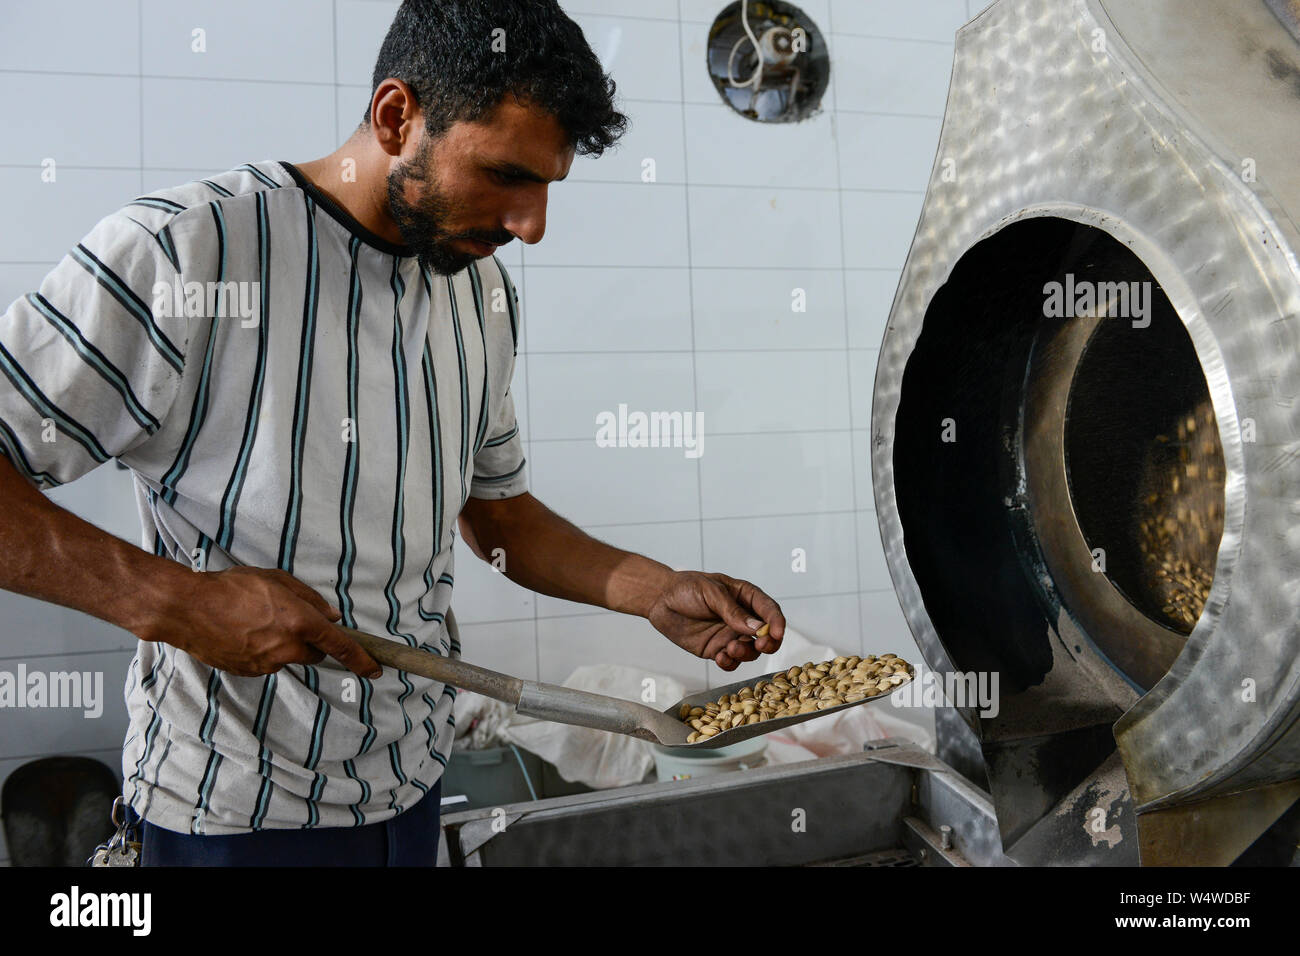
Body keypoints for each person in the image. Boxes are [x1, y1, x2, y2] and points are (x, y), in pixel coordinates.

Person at [0, 0, 785, 866]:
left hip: (410, 785)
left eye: (548, 186)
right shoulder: (189, 252)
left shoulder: (479, 295)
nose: (531, 224)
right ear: (395, 116)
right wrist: (175, 603)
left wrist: (650, 589)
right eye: (505, 175)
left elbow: (500, 520)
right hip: (233, 811)